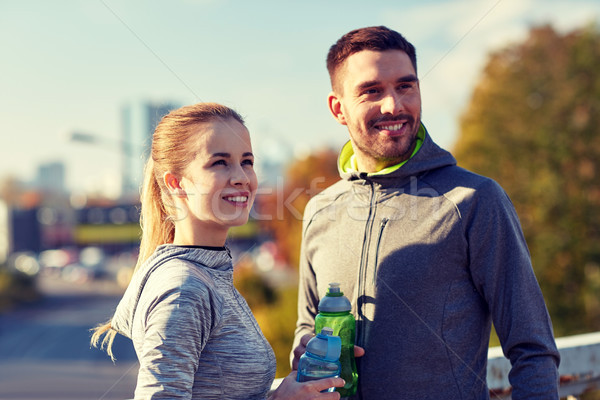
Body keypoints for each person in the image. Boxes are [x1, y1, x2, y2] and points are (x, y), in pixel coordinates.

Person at [291, 26, 560, 399]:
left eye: (405, 86)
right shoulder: (320, 210)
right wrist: (306, 350)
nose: (394, 106)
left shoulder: (475, 200)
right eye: (372, 91)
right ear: (338, 108)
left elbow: (533, 349)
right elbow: (306, 325)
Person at [91, 102, 344, 400]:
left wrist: (289, 387)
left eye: (247, 161)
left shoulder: (209, 273)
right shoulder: (184, 288)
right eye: (220, 163)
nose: (241, 177)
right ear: (176, 184)